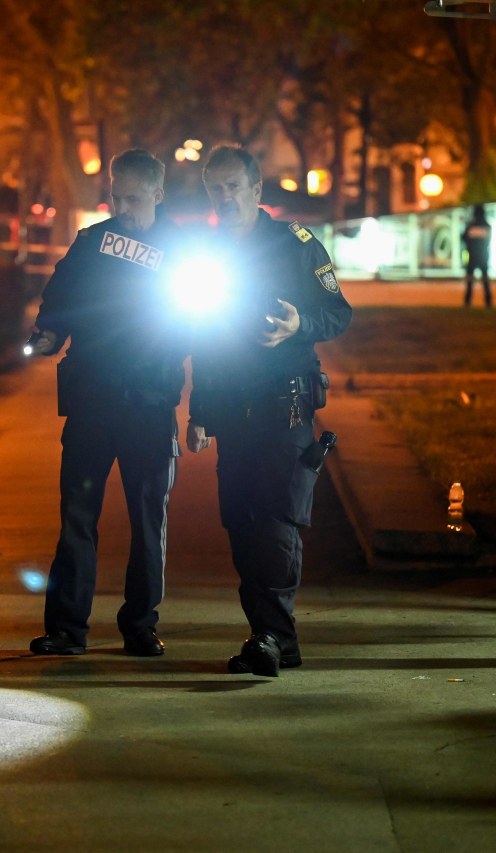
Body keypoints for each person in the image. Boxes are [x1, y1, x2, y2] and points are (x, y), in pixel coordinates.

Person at [186, 145, 352, 677]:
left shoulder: (295, 245)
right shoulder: (204, 254)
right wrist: (199, 411)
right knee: (240, 519)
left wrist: (298, 323)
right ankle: (271, 636)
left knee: (277, 519)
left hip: (286, 404)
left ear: (257, 190)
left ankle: (272, 637)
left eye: (235, 186)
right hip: (233, 409)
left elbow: (337, 312)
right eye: (217, 188)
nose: (226, 196)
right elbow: (200, 339)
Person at [28, 148, 186, 658]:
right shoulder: (92, 242)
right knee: (77, 515)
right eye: (116, 196)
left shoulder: (183, 251)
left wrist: (203, 405)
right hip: (93, 402)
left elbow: (206, 328)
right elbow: (59, 299)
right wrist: (49, 334)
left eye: (133, 198)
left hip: (150, 403)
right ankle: (67, 629)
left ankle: (140, 625)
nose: (122, 206)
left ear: (159, 194)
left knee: (147, 521)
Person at [462, 204, 492, 308]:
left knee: (470, 280)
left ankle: (467, 301)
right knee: (485, 280)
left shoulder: (470, 226)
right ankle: (488, 301)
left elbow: (463, 238)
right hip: (484, 256)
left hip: (472, 256)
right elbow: (488, 241)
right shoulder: (487, 226)